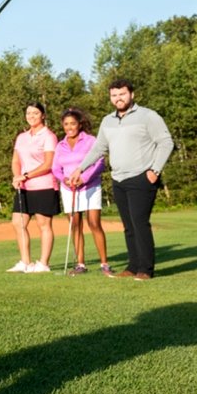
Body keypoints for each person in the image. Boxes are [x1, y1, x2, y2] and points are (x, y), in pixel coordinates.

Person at [66, 79, 173, 281]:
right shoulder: (108, 121)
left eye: (122, 94)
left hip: (142, 177)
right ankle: (133, 267)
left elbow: (166, 142)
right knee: (129, 225)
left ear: (132, 94)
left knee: (139, 222)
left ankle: (146, 269)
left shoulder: (148, 116)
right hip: (119, 179)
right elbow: (99, 148)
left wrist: (155, 170)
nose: (118, 98)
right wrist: (80, 168)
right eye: (114, 95)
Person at [51, 107, 111, 276]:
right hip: (68, 188)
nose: (69, 127)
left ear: (80, 124)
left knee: (94, 223)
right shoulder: (60, 145)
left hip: (90, 186)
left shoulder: (90, 140)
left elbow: (100, 163)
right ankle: (81, 264)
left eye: (73, 124)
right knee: (76, 225)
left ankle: (104, 264)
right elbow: (55, 168)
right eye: (66, 124)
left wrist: (84, 178)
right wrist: (64, 179)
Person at [8, 102, 59, 273]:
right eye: (29, 113)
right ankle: (25, 262)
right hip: (23, 187)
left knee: (43, 224)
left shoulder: (49, 136)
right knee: (18, 222)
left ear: (43, 115)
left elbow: (48, 164)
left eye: (35, 113)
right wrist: (17, 176)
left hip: (43, 185)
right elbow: (16, 160)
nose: (31, 116)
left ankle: (43, 264)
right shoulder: (22, 137)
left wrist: (27, 175)